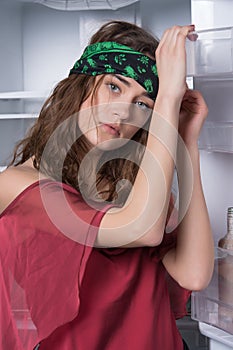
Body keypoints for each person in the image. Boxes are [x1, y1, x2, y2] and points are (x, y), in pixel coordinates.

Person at [0, 20, 214, 350]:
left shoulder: (137, 190)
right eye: (114, 86)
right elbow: (140, 229)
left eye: (143, 104)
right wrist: (168, 98)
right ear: (82, 85)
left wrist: (186, 142)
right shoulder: (18, 186)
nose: (122, 112)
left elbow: (194, 274)